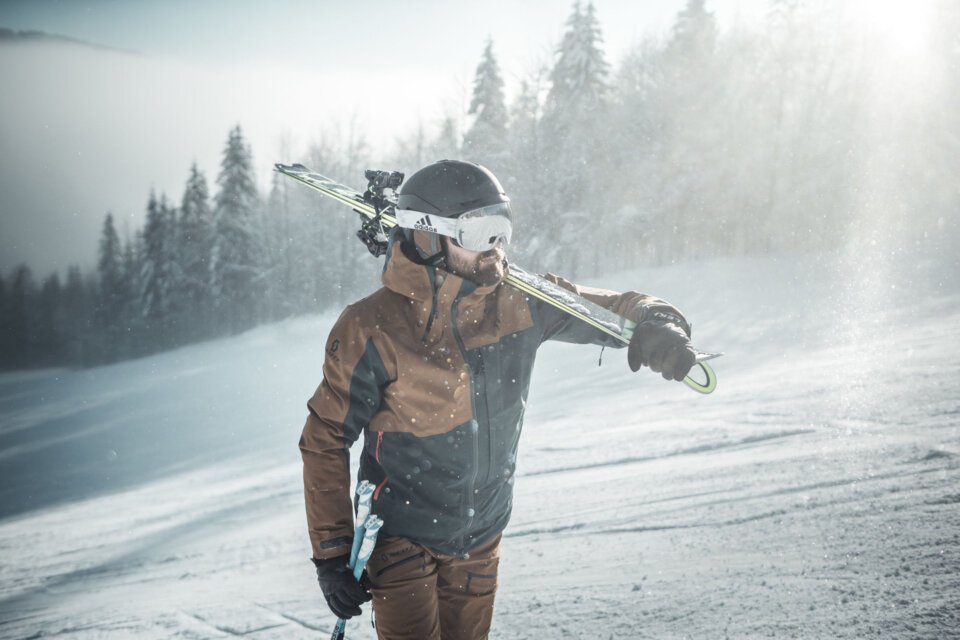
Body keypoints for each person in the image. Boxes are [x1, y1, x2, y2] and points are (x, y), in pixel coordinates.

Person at [300, 160, 696, 640]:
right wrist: (331, 549)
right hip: (401, 538)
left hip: (481, 533)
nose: (494, 247)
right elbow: (325, 437)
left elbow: (610, 309)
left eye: (500, 227)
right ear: (428, 238)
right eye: (477, 232)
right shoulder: (373, 326)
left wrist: (657, 323)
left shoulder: (517, 301)